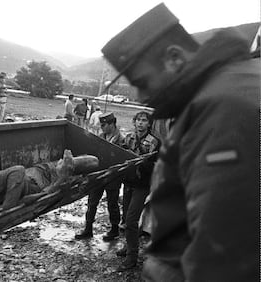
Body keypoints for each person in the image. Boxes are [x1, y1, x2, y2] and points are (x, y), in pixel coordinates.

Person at [101, 3, 259, 281]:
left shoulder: (223, 107)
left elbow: (224, 251)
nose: (139, 96)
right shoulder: (219, 90)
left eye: (141, 81)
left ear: (174, 58)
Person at [0, 150, 99, 218]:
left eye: (65, 162)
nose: (60, 161)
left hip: (29, 185)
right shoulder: (54, 165)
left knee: (17, 171)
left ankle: (2, 210)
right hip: (15, 184)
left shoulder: (65, 178)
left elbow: (94, 161)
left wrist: (62, 177)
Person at [116, 111, 160, 270]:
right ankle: (128, 246)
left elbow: (156, 167)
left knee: (132, 219)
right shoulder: (128, 138)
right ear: (134, 122)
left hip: (142, 185)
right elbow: (120, 157)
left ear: (149, 124)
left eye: (144, 121)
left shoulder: (154, 142)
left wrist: (140, 161)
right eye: (138, 120)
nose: (141, 123)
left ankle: (132, 256)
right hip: (128, 183)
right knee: (126, 219)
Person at [75, 112, 123, 241]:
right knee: (92, 202)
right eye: (101, 125)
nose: (101, 128)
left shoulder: (121, 139)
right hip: (99, 174)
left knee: (112, 204)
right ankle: (88, 228)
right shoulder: (101, 136)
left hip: (113, 176)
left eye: (104, 125)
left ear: (112, 124)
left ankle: (114, 229)